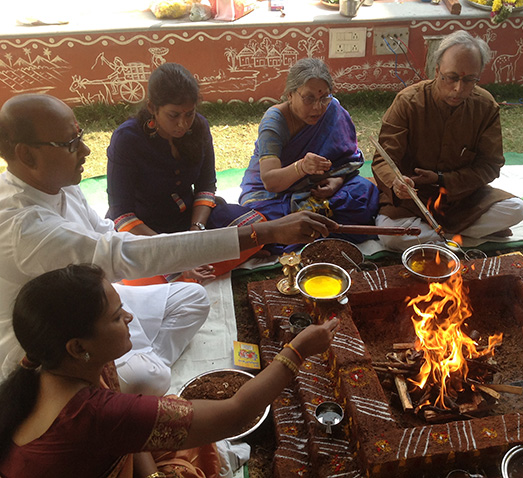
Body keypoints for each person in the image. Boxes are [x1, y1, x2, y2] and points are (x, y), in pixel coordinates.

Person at [0, 93, 337, 392]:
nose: (86, 150)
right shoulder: (21, 226)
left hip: (97, 307)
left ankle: (143, 363)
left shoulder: (57, 184)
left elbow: (107, 233)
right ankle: (142, 375)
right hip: (58, 341)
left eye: (80, 137)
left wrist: (183, 251)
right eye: (70, 143)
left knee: (193, 297)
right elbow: (119, 253)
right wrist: (265, 233)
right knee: (150, 380)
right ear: (26, 155)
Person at [0, 264, 339, 477]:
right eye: (117, 317)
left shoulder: (58, 369)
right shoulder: (94, 413)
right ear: (77, 347)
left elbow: (124, 437)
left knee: (190, 438)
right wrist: (298, 350)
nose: (130, 319)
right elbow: (236, 414)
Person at [106, 63, 264, 283]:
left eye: (189, 114)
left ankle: (184, 275)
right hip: (146, 230)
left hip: (189, 219)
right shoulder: (127, 139)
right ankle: (181, 273)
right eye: (173, 115)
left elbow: (206, 185)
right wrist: (175, 253)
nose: (182, 124)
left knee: (256, 230)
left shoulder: (198, 127)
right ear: (152, 107)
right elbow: (121, 212)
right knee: (133, 274)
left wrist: (195, 233)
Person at [371, 30, 523, 251]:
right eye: (451, 77)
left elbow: (490, 166)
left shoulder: (485, 106)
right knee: (390, 237)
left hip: (462, 198)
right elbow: (383, 159)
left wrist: (443, 179)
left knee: (517, 209)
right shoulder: (408, 102)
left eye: (469, 80)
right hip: (413, 200)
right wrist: (396, 183)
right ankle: (460, 237)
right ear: (437, 71)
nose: (458, 88)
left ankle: (440, 238)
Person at [239, 58, 379, 254]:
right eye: (309, 98)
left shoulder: (333, 110)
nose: (318, 107)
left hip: (317, 189)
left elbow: (346, 161)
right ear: (290, 95)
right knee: (262, 221)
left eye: (324, 98)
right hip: (273, 195)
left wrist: (336, 182)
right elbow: (270, 181)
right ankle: (315, 232)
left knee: (364, 191)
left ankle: (307, 233)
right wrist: (302, 167)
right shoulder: (274, 121)